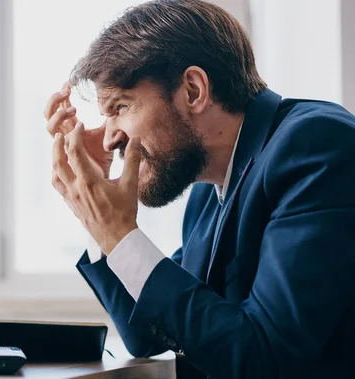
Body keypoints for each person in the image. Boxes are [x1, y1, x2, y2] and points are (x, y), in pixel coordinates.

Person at [43, 1, 355, 378]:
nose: (110, 139)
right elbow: (148, 334)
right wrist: (98, 220)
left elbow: (264, 356)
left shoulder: (316, 146)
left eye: (120, 107)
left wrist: (120, 234)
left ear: (193, 90)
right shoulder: (209, 188)